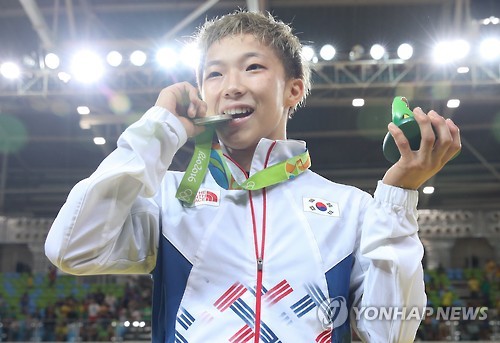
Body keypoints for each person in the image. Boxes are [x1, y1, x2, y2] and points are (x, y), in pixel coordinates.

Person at [44, 10, 461, 343]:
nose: (231, 86)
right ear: (201, 93)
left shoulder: (352, 208)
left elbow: (390, 332)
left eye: (253, 67)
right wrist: (158, 131)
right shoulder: (169, 198)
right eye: (214, 73)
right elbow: (72, 247)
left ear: (293, 90)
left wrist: (399, 194)